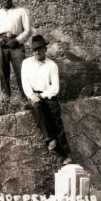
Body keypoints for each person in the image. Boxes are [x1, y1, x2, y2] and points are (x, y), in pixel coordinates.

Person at [21, 35, 72, 166]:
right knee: (38, 108)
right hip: (34, 96)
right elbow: (25, 83)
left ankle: (66, 154)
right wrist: (32, 96)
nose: (36, 52)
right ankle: (50, 139)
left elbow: (55, 87)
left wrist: (43, 96)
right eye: (34, 50)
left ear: (45, 49)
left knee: (56, 119)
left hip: (48, 95)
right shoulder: (26, 63)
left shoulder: (52, 65)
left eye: (39, 49)